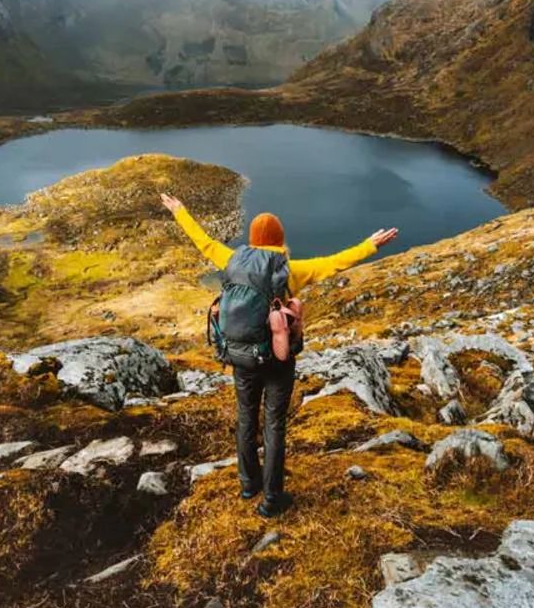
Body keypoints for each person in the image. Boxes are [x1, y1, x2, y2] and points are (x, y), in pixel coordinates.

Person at [161, 193, 398, 518]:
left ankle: (248, 484)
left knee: (246, 419)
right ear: (279, 239)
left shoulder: (231, 259)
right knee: (273, 425)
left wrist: (179, 211)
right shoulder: (289, 270)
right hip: (277, 359)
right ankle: (271, 499)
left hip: (240, 357)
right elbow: (336, 262)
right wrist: (370, 245)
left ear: (253, 239)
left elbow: (203, 241)